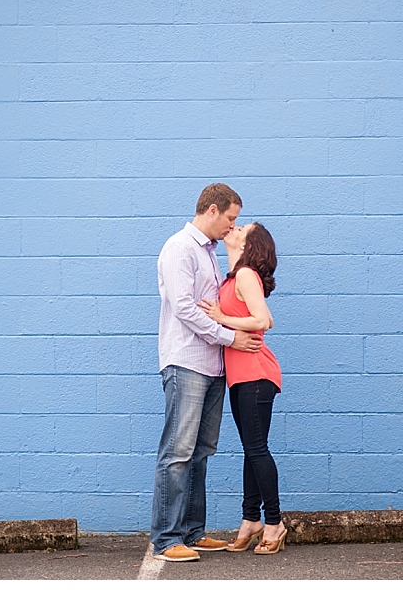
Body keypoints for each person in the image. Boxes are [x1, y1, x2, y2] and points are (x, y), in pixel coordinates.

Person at [150, 183, 264, 563]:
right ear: (212, 210)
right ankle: (167, 538)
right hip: (186, 363)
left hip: (212, 366)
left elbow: (213, 307)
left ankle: (193, 532)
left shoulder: (209, 253)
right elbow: (184, 308)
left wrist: (227, 336)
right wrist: (230, 337)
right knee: (178, 452)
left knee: (201, 452)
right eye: (230, 218)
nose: (232, 226)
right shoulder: (179, 248)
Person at [197, 221, 286, 555]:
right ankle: (251, 520)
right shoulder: (234, 277)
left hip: (255, 373)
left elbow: (263, 320)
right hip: (243, 375)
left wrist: (221, 316)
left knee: (257, 449)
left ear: (249, 246)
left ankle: (274, 523)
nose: (232, 230)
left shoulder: (246, 274)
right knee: (253, 447)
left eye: (241, 230)